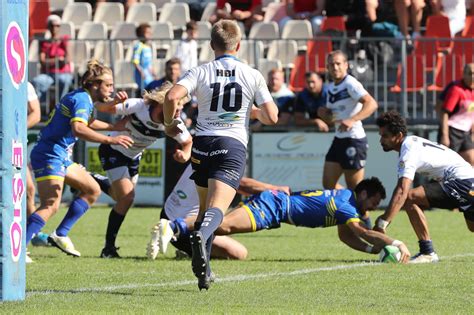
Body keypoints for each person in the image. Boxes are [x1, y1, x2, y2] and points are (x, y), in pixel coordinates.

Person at [163, 19, 279, 290]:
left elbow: (171, 97)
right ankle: (200, 237)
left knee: (204, 209)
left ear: (211, 45)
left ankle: (206, 272)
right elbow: (272, 116)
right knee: (218, 209)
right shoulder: (252, 74)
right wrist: (252, 111)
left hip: (202, 144)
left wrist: (170, 124)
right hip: (232, 144)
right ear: (238, 45)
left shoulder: (201, 70)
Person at [159, 177, 411, 262]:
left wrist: (374, 252)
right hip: (274, 207)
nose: (373, 208)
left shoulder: (345, 198)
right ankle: (174, 226)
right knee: (222, 224)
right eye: (374, 202)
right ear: (364, 193)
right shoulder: (347, 206)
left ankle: (182, 233)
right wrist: (396, 243)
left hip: (276, 207)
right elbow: (361, 232)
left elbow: (346, 236)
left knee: (222, 228)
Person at [26, 60, 134, 260]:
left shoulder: (83, 98)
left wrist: (113, 127)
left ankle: (60, 234)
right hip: (50, 154)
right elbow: (79, 128)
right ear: (95, 85)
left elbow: (89, 122)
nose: (112, 89)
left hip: (59, 155)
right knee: (50, 204)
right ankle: (19, 248)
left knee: (92, 189)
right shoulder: (82, 100)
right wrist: (111, 139)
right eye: (108, 85)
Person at [93, 83, 193, 258]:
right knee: (126, 198)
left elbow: (188, 142)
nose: (178, 113)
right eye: (177, 107)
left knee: (121, 199)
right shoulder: (140, 106)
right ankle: (108, 249)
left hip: (133, 158)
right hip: (113, 151)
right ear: (165, 102)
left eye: (181, 108)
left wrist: (184, 155)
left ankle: (93, 179)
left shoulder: (173, 122)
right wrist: (114, 102)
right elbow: (103, 108)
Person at [374, 111, 474, 263]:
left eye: (385, 136)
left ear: (399, 135)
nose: (381, 140)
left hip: (461, 181)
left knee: (409, 197)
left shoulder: (408, 150)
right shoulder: (411, 143)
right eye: (381, 135)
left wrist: (383, 222)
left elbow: (402, 190)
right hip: (468, 179)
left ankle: (427, 252)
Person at [147, 163, 290, 260]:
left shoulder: (204, 148)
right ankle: (176, 232)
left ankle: (186, 249)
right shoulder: (220, 153)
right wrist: (274, 189)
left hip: (167, 212)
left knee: (220, 225)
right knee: (239, 253)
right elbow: (242, 185)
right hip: (185, 224)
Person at [317, 50, 378, 190]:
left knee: (355, 189)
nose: (335, 67)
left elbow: (372, 103)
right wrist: (323, 114)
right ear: (327, 67)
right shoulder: (331, 87)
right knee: (328, 184)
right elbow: (332, 120)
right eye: (331, 64)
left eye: (338, 63)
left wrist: (352, 120)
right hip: (339, 138)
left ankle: (362, 211)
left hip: (354, 140)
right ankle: (348, 205)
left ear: (346, 65)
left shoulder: (350, 83)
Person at [436, 64, 474, 166]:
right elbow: (444, 112)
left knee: (471, 160)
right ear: (464, 74)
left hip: (465, 132)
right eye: (470, 73)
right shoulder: (456, 89)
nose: (472, 76)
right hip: (452, 131)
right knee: (446, 165)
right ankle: (429, 182)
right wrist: (445, 136)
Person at [32, 14, 73, 103]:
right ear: (48, 27)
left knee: (64, 80)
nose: (54, 28)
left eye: (57, 25)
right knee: (37, 81)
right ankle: (42, 107)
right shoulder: (44, 42)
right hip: (48, 74)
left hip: (63, 73)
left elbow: (68, 58)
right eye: (52, 25)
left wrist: (50, 62)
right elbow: (42, 61)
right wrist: (57, 61)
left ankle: (60, 107)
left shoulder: (64, 40)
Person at [26, 82, 41, 217]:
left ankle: (34, 232)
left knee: (28, 189)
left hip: (11, 144)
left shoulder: (23, 84)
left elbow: (36, 114)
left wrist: (15, 131)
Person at [132, 23, 156, 92]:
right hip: (142, 74)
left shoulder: (148, 46)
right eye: (147, 33)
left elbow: (149, 63)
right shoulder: (139, 46)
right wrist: (141, 72)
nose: (150, 35)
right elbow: (135, 61)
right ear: (141, 34)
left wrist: (153, 72)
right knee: (145, 91)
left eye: (150, 33)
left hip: (148, 74)